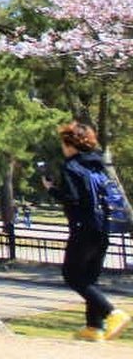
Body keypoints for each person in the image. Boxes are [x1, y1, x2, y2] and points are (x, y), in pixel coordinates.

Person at [47, 119, 127, 341]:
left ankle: (113, 313)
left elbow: (72, 198)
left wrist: (52, 190)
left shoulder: (71, 167)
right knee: (89, 279)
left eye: (64, 143)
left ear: (70, 144)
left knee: (71, 275)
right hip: (104, 228)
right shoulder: (98, 166)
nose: (63, 148)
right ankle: (94, 327)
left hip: (84, 228)